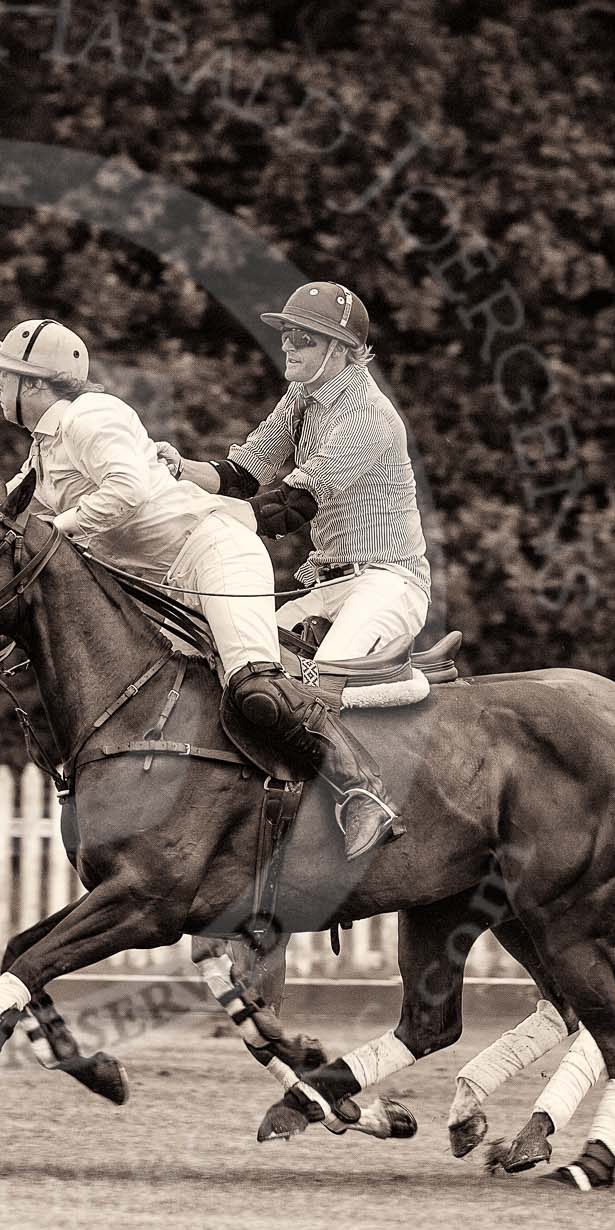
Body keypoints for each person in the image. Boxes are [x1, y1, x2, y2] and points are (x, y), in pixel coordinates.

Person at [0, 315, 398, 857]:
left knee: (254, 688)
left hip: (215, 555)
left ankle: (361, 791)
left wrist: (55, 533)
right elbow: (0, 525)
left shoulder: (93, 415)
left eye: (5, 376)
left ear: (34, 383)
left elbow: (127, 488)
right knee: (187, 712)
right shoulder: (45, 453)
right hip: (165, 588)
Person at [156, 282, 429, 845]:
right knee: (238, 665)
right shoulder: (302, 398)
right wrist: (176, 468)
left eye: (304, 338)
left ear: (342, 350)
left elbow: (286, 508)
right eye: (286, 335)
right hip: (325, 584)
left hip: (389, 582)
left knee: (316, 686)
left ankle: (367, 796)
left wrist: (194, 511)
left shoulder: (372, 418)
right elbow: (243, 475)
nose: (288, 347)